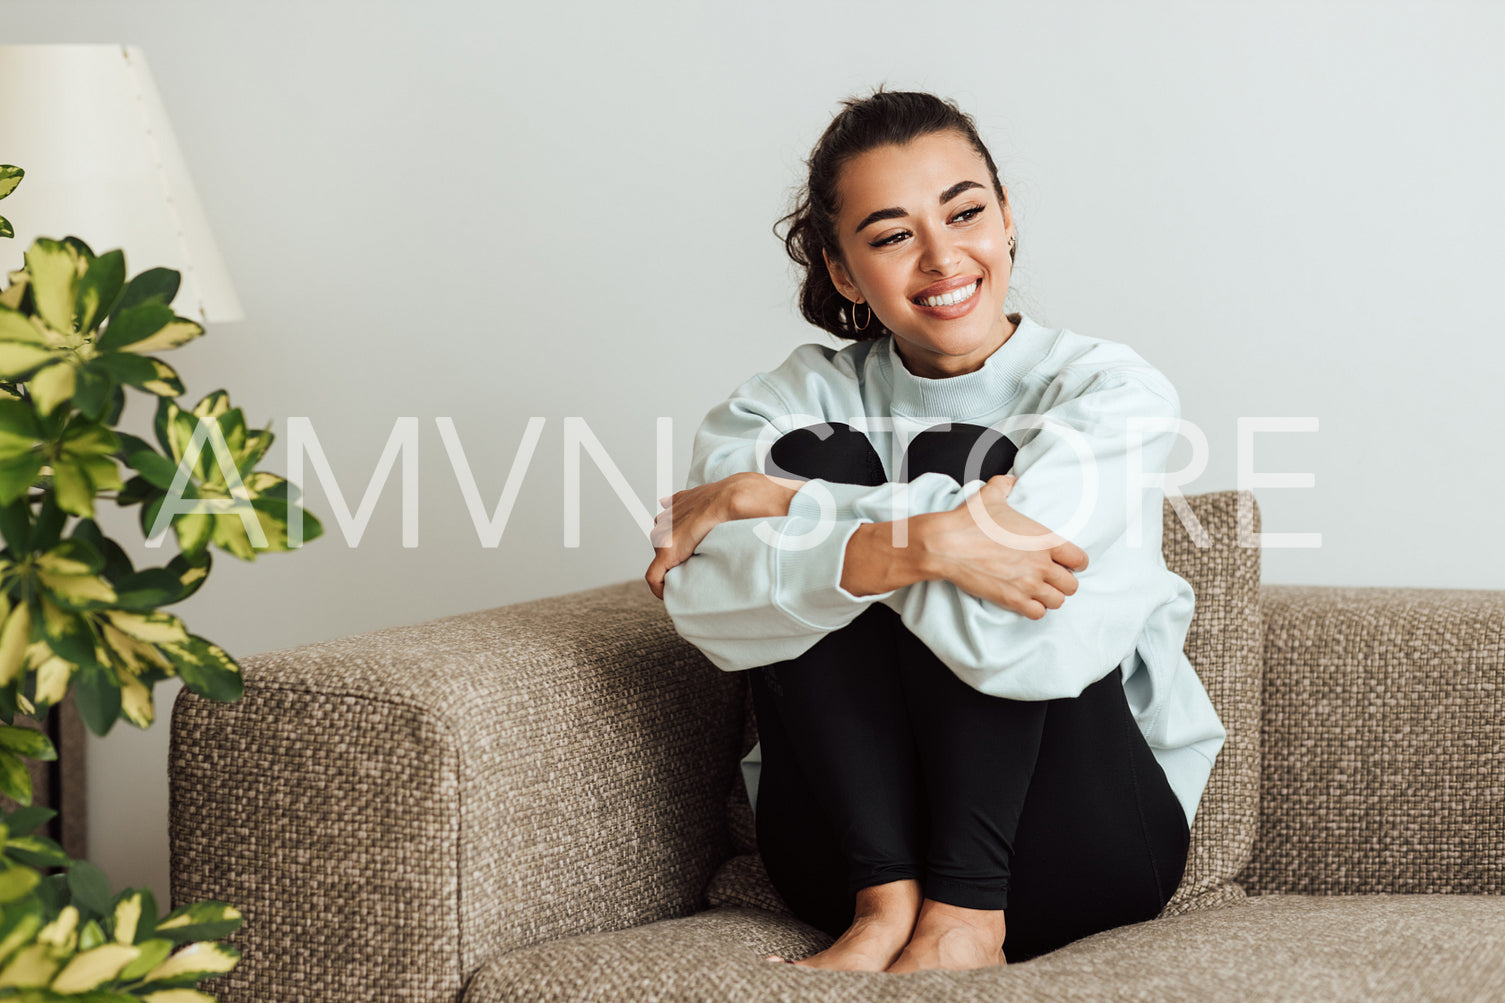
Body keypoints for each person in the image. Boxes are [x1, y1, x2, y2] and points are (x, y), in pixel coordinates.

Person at [644, 86, 1225, 975]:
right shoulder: (788, 403)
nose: (942, 256)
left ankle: (965, 912)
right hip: (835, 855)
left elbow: (1024, 563)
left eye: (965, 213)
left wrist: (791, 509)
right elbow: (702, 598)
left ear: (1005, 220)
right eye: (890, 235)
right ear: (842, 271)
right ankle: (889, 906)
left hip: (1080, 840)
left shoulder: (1109, 390)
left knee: (937, 466)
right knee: (834, 454)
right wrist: (920, 542)